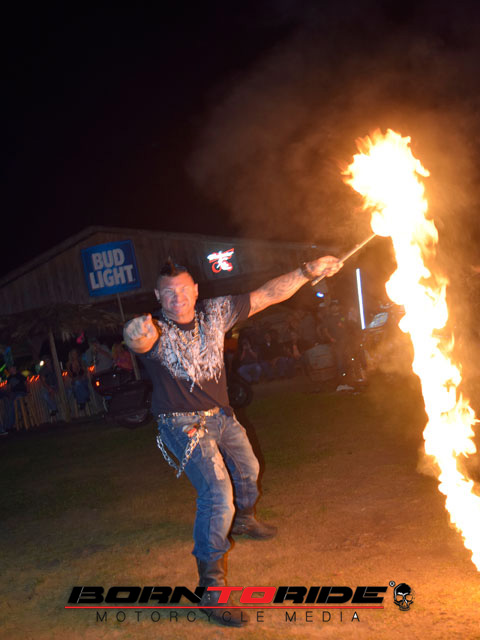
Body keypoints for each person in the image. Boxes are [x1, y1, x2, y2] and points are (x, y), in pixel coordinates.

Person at [123, 254, 342, 627]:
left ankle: (243, 520)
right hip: (181, 423)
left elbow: (267, 295)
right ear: (158, 297)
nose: (177, 298)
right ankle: (211, 590)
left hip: (221, 415)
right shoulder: (156, 329)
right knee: (216, 493)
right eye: (168, 293)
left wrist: (307, 271)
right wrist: (134, 334)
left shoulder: (216, 312)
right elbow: (139, 341)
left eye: (183, 290)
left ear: (196, 290)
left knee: (248, 469)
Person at [0, 365, 28, 433]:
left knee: (13, 404)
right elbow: (8, 388)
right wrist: (7, 392)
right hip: (14, 394)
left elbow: (26, 384)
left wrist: (28, 392)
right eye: (9, 369)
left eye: (11, 368)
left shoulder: (20, 375)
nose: (10, 370)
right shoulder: (9, 378)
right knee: (9, 404)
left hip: (21, 393)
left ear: (15, 368)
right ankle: (9, 425)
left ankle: (9, 426)